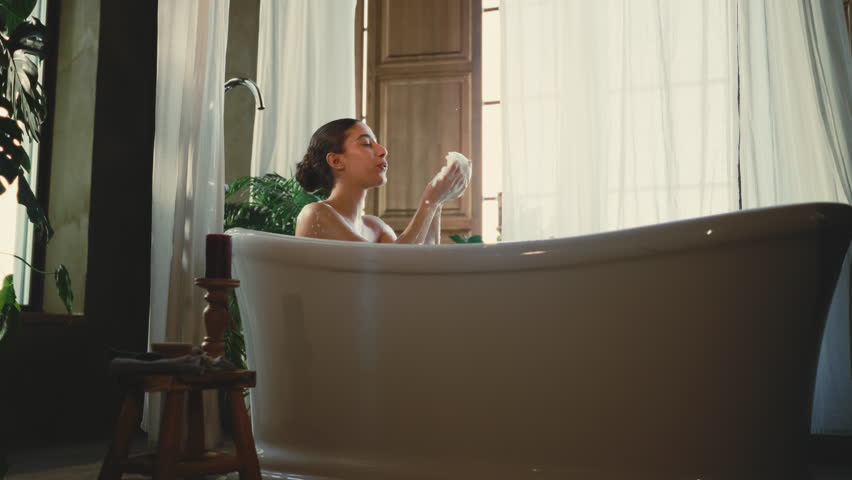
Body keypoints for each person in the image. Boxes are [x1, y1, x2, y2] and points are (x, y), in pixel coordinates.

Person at [294, 118, 469, 243]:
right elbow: (392, 268)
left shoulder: (375, 226)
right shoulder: (316, 213)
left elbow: (422, 259)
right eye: (366, 144)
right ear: (336, 161)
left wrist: (439, 202)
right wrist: (429, 200)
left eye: (377, 143)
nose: (383, 150)